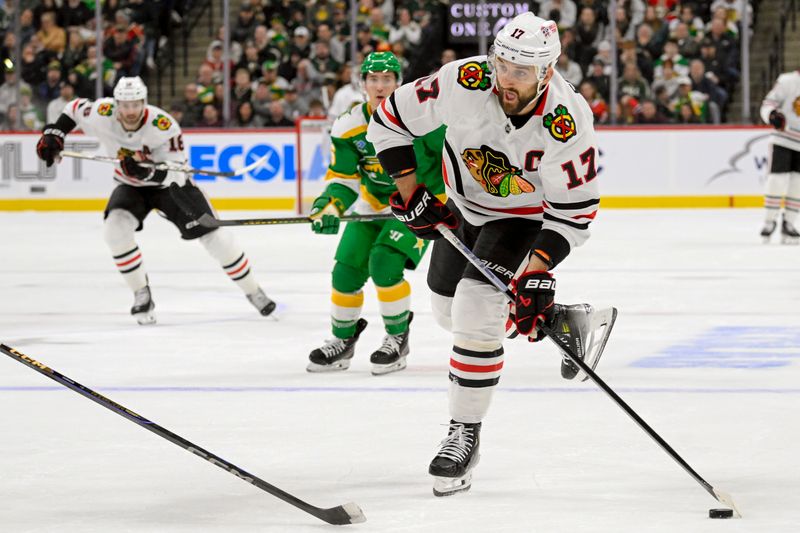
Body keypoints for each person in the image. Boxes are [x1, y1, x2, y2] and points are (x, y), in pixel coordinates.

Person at [367, 13, 600, 495]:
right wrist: (411, 193)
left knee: (477, 308)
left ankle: (464, 433)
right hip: (464, 208)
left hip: (523, 218)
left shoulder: (567, 120)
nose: (505, 78)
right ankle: (565, 320)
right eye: (502, 63)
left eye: (520, 71)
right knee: (446, 311)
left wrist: (536, 271)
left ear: (547, 72)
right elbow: (389, 120)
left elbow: (574, 212)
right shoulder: (464, 80)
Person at [35, 76, 276, 324]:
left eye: (136, 104)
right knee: (114, 231)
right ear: (117, 103)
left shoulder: (163, 125)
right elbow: (73, 108)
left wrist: (146, 171)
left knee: (216, 238)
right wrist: (55, 134)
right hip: (131, 185)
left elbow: (175, 170)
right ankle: (141, 293)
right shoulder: (103, 111)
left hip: (170, 186)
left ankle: (253, 291)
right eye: (125, 105)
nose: (130, 111)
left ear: (145, 102)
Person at [306, 52, 446, 376]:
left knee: (384, 263)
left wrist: (456, 204)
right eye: (373, 79)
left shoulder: (423, 120)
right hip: (373, 204)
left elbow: (453, 161)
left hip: (419, 205)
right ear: (363, 83)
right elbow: (343, 178)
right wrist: (329, 205)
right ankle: (342, 341)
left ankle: (398, 338)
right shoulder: (348, 126)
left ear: (399, 83)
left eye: (387, 79)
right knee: (345, 271)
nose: (380, 86)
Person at [759, 70, 800, 244]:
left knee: (797, 184)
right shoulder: (788, 80)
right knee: (776, 180)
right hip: (784, 139)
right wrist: (772, 115)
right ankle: (769, 221)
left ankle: (789, 222)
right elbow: (768, 103)